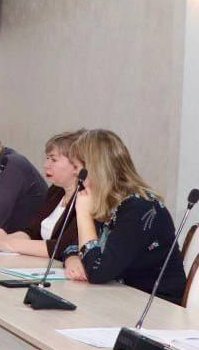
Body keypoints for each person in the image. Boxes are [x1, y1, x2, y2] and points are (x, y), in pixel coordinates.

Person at [65, 129, 185, 303]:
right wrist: (73, 258)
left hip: (156, 304)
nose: (75, 174)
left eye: (76, 167)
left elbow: (98, 272)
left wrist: (83, 214)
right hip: (121, 295)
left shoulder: (140, 209)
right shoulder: (108, 200)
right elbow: (74, 244)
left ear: (95, 169)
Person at [0, 130, 84, 259]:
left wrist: (6, 243)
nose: (46, 165)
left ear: (77, 165)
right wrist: (3, 238)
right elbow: (31, 232)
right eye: (47, 158)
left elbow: (61, 247)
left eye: (53, 159)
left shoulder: (85, 199)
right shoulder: (56, 191)